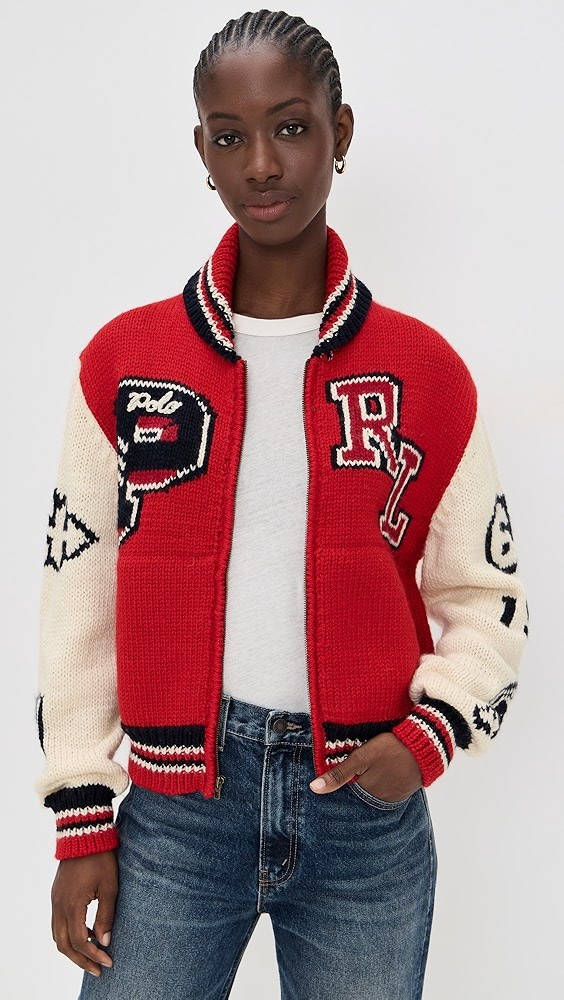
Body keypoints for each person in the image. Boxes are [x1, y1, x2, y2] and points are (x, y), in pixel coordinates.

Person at [35, 9, 528, 1000]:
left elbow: (486, 593)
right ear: (201, 152)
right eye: (230, 136)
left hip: (365, 820)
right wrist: (82, 818)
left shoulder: (426, 374)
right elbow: (76, 601)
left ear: (340, 133)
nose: (262, 163)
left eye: (292, 127)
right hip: (177, 814)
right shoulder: (125, 366)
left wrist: (429, 736)